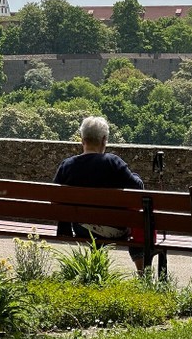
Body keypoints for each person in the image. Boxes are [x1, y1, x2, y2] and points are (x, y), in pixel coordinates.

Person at [53, 115, 147, 270]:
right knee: (138, 220)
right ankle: (142, 271)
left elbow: (54, 200)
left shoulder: (67, 165)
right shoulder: (113, 162)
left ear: (82, 140)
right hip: (115, 229)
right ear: (104, 140)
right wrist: (136, 176)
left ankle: (95, 268)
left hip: (81, 229)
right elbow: (138, 188)